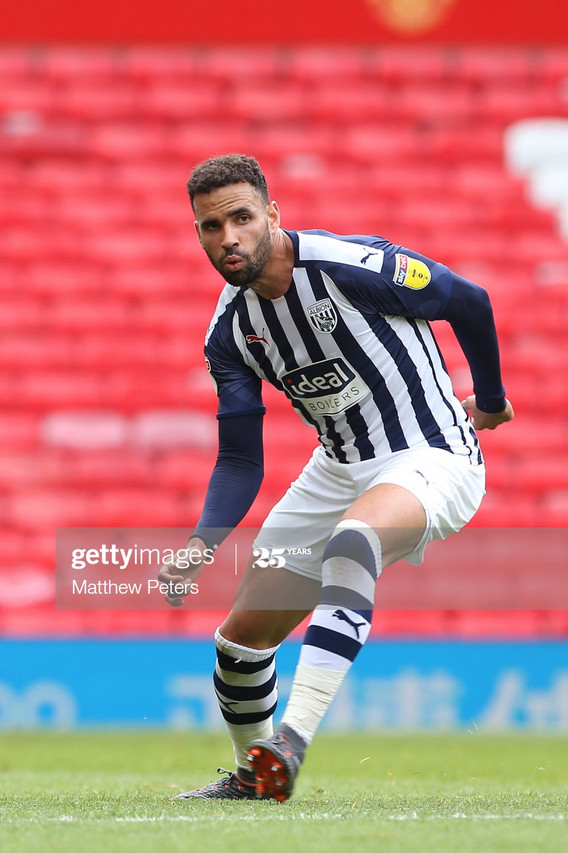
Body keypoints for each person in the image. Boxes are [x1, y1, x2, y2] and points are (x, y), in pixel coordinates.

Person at [161, 154, 513, 802]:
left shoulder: (351, 267)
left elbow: (469, 299)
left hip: (431, 453)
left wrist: (488, 398)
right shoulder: (230, 333)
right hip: (337, 467)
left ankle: (291, 740)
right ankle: (254, 777)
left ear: (272, 213)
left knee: (353, 542)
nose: (228, 237)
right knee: (239, 642)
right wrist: (201, 545)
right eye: (211, 226)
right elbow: (240, 458)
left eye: (241, 217)